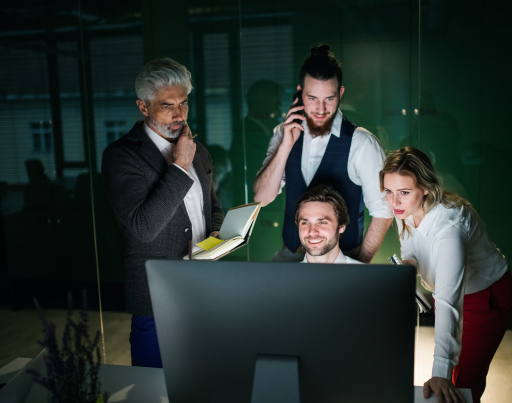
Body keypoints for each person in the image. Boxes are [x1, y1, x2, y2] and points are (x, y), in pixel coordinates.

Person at [102, 57, 224, 368]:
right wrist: (180, 166)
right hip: (157, 298)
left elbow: (212, 209)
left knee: (204, 379)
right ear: (143, 107)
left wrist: (219, 235)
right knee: (154, 387)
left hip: (205, 289)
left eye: (183, 103)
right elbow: (143, 228)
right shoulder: (122, 156)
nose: (179, 114)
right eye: (167, 105)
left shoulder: (199, 150)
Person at [379, 146, 512, 403]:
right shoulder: (404, 207)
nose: (394, 202)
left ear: (426, 188)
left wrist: (439, 372)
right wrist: (409, 266)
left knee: (463, 383)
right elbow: (410, 244)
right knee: (454, 374)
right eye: (388, 191)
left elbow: (447, 301)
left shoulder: (450, 228)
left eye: (404, 192)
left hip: (486, 297)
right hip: (450, 290)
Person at [253, 43, 392, 263]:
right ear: (300, 94)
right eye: (312, 99)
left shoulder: (361, 143)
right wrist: (286, 146)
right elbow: (261, 198)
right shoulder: (283, 133)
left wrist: (358, 267)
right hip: (291, 257)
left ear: (341, 93)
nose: (320, 109)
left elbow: (383, 212)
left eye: (329, 99)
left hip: (342, 261)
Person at [295, 185, 361, 264]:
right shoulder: (287, 275)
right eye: (305, 223)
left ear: (341, 227)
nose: (312, 232)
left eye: (322, 222)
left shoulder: (365, 274)